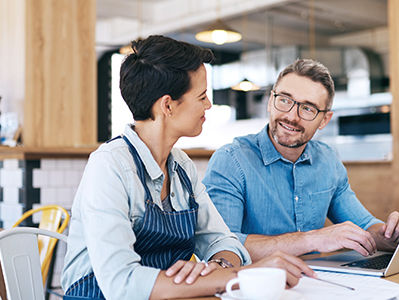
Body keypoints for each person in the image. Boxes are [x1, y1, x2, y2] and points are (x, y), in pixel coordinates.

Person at [61, 36, 314, 300]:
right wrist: (239, 276)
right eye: (202, 96)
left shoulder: (182, 166)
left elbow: (225, 243)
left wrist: (219, 267)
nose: (208, 105)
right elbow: (122, 284)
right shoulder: (109, 166)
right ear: (168, 105)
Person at [202, 58, 399, 262]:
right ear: (270, 101)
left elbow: (364, 226)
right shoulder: (231, 160)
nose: (292, 116)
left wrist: (393, 234)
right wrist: (312, 239)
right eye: (284, 100)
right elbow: (221, 246)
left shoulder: (327, 160)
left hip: (317, 283)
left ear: (324, 120)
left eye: (308, 108)